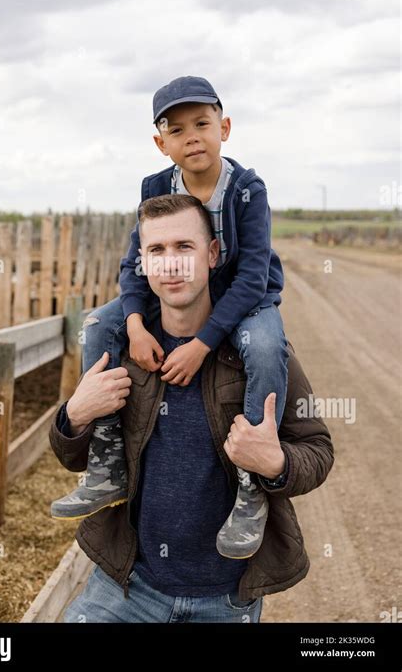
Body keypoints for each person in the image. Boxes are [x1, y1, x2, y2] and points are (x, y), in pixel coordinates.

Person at [49, 195, 334, 623]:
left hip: (226, 599)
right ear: (140, 263)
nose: (171, 263)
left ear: (213, 254)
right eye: (156, 251)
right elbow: (74, 458)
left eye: (185, 247)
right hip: (126, 586)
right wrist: (74, 415)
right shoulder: (122, 349)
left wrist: (275, 462)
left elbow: (318, 449)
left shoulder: (261, 354)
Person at [51, 75, 288, 560]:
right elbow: (134, 263)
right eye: (176, 130)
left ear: (224, 127)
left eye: (202, 123)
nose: (192, 137)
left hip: (245, 294)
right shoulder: (156, 187)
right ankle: (108, 457)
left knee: (264, 347)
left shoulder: (246, 188)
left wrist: (202, 343)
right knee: (98, 325)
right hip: (175, 287)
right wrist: (136, 323)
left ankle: (251, 484)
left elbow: (251, 275)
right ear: (161, 144)